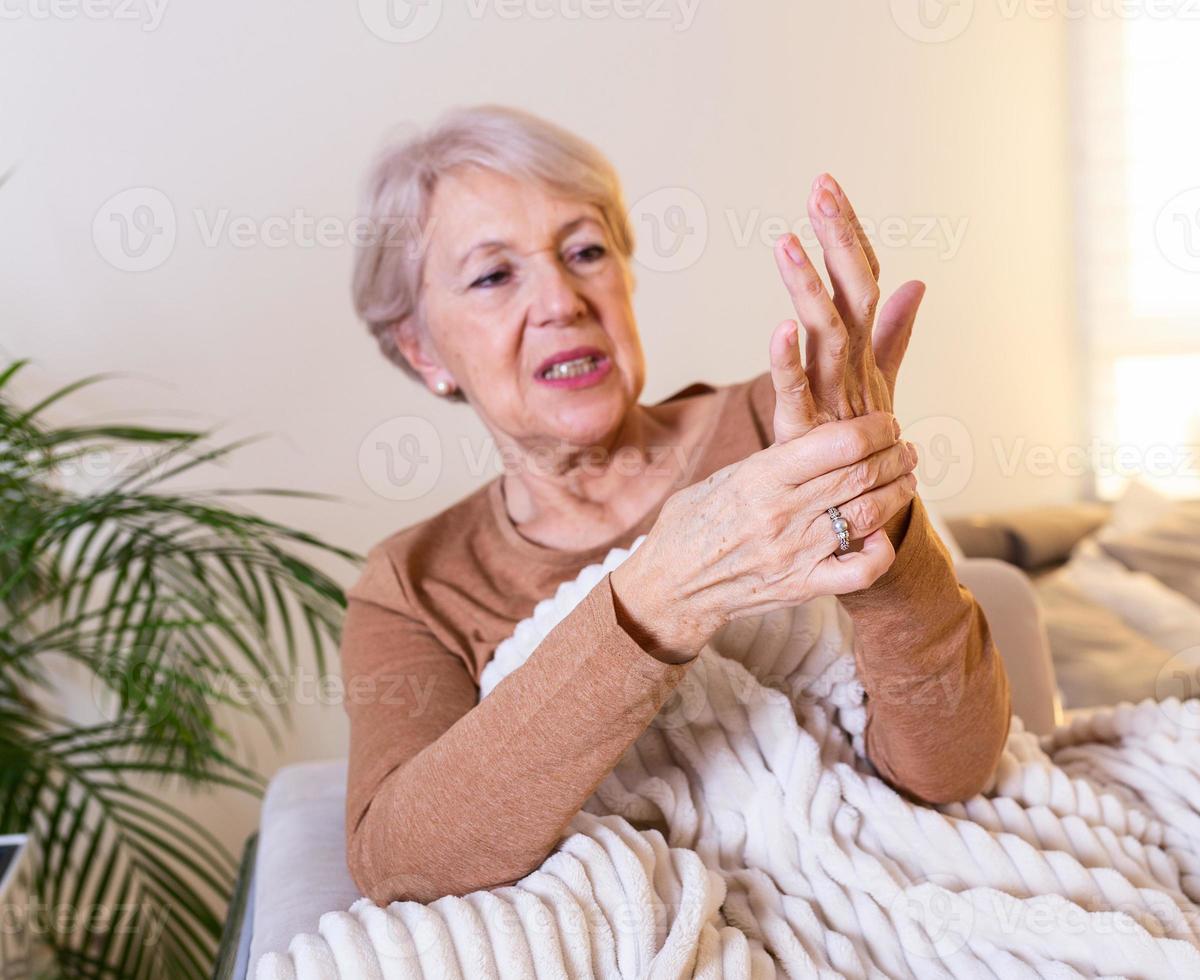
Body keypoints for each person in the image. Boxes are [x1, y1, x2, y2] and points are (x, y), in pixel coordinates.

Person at [342, 105, 1011, 904]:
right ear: (423, 350)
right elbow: (401, 867)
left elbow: (955, 771)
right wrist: (667, 593)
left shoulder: (790, 424)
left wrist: (881, 516)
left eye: (586, 251)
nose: (562, 300)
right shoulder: (412, 585)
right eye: (494, 275)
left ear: (625, 277)